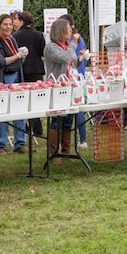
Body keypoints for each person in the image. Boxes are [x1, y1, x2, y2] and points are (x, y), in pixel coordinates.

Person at [44, 18, 86, 164]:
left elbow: (72, 62)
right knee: (57, 120)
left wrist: (81, 57)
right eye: (68, 28)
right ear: (60, 30)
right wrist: (74, 44)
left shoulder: (68, 46)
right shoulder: (51, 47)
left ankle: (66, 151)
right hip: (57, 87)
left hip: (70, 86)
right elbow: (63, 58)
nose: (71, 31)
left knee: (68, 120)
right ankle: (54, 153)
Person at [0, 14, 29, 154]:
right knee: (1, 112)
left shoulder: (12, 39)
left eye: (10, 25)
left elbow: (15, 59)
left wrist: (21, 57)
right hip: (2, 80)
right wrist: (17, 56)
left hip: (16, 78)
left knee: (19, 110)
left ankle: (20, 142)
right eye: (5, 24)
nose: (8, 27)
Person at [59, 14, 90, 149]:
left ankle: (81, 140)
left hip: (73, 77)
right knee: (77, 109)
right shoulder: (79, 39)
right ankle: (80, 140)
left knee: (76, 110)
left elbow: (69, 59)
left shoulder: (73, 41)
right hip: (79, 75)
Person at [13, 11, 46, 137]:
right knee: (37, 100)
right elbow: (42, 52)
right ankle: (38, 129)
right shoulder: (39, 35)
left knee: (23, 100)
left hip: (22, 70)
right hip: (37, 70)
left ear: (21, 21)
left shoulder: (16, 35)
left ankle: (25, 128)